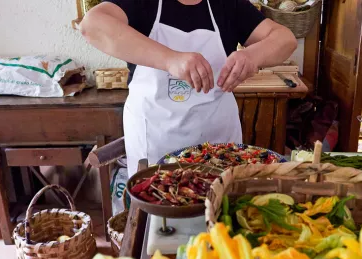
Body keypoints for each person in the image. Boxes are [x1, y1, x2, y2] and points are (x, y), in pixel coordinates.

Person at [81, 0, 297, 175]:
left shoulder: (229, 5)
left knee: (219, 218)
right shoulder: (141, 4)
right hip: (156, 143)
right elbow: (92, 26)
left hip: (219, 144)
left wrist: (252, 56)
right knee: (159, 220)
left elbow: (285, 39)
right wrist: (170, 59)